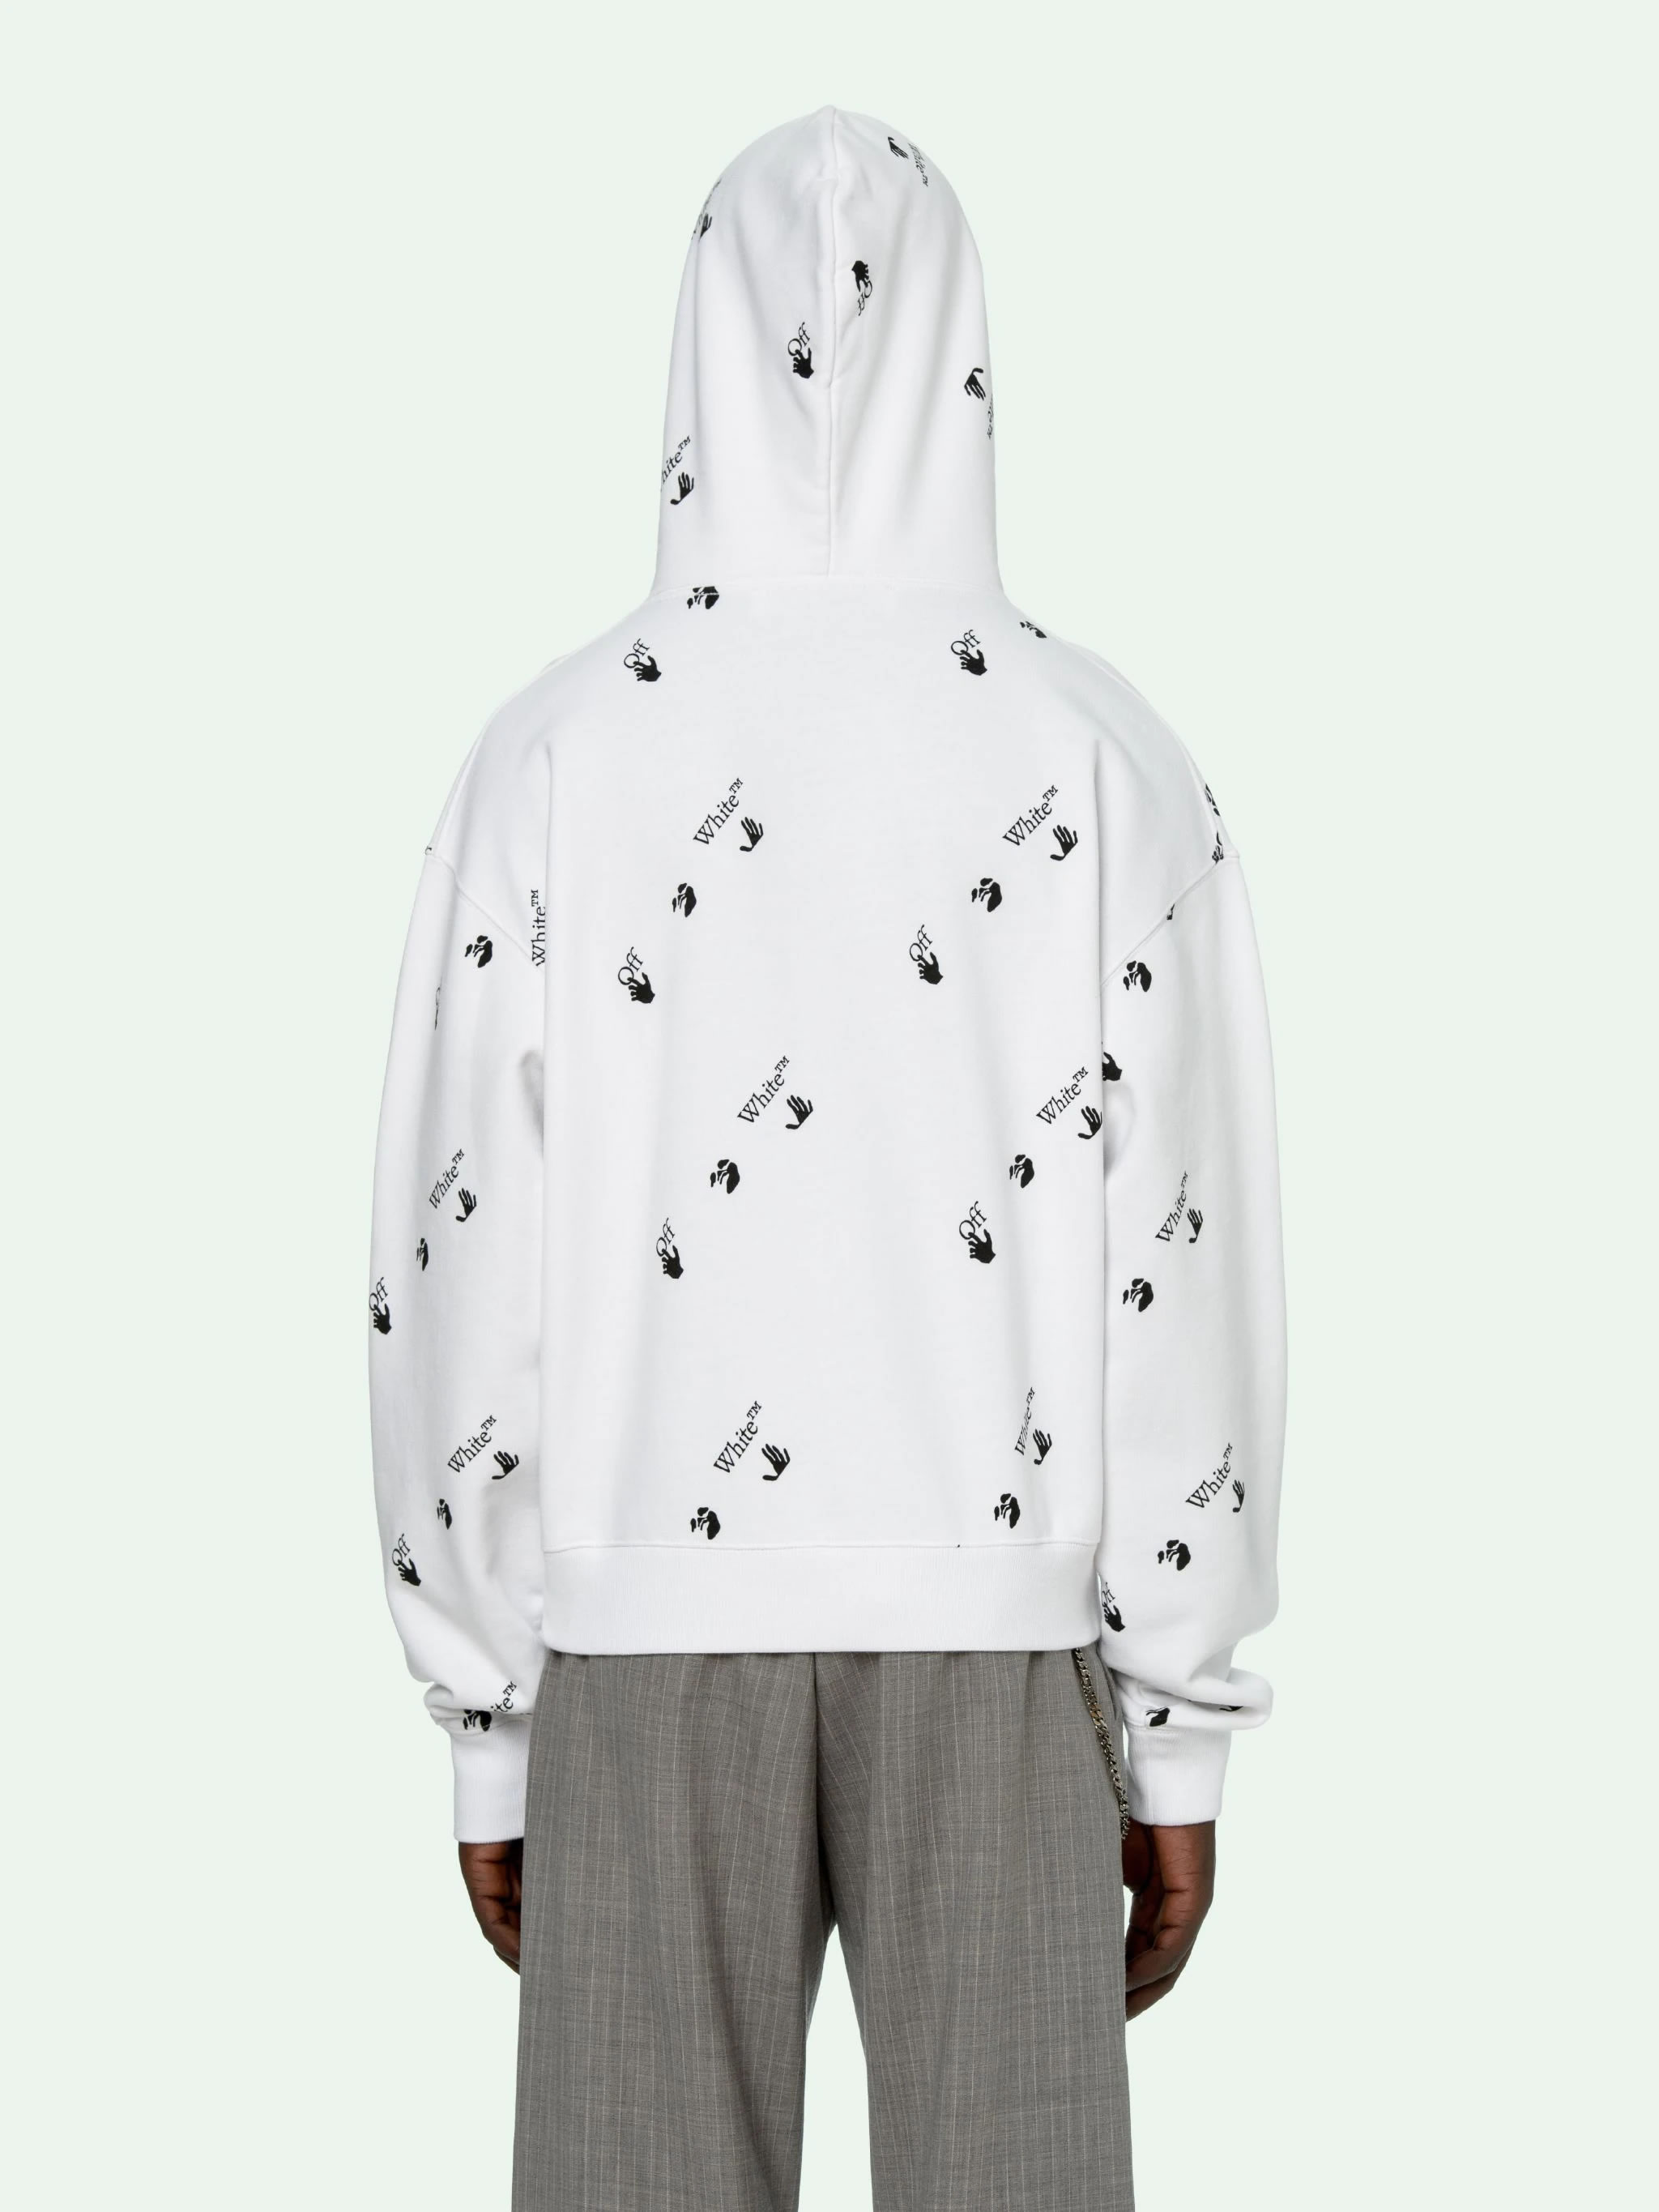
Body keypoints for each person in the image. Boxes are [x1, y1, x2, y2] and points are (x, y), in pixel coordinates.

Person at [368, 105, 1286, 2212]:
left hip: (638, 1632)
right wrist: (1179, 1710)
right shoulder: (1101, 751)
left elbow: (458, 1251)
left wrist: (491, 1714)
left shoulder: (553, 756)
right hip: (998, 1638)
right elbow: (1181, 1257)